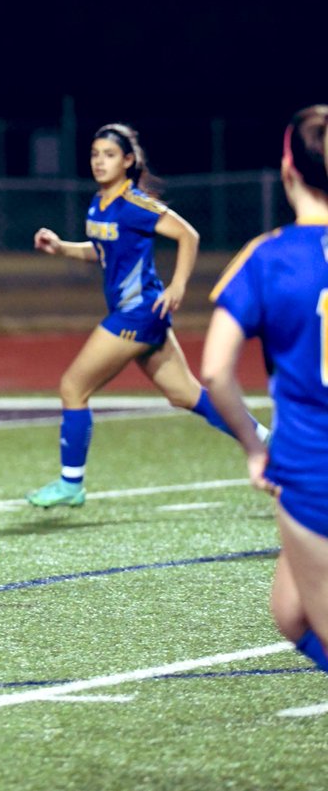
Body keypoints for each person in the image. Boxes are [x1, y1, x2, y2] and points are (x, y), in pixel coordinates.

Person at [26, 122, 269, 508]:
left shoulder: (136, 204)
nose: (99, 162)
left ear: (127, 161)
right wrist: (60, 247)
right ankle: (268, 441)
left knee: (73, 387)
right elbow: (101, 250)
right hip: (143, 314)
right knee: (185, 394)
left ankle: (71, 484)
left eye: (109, 155)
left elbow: (188, 235)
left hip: (136, 314)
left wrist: (178, 285)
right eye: (95, 154)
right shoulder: (99, 202)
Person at [201, 106, 328, 675]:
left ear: (287, 169)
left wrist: (255, 448)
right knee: (290, 612)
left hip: (312, 467)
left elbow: (214, 372)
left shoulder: (268, 256)